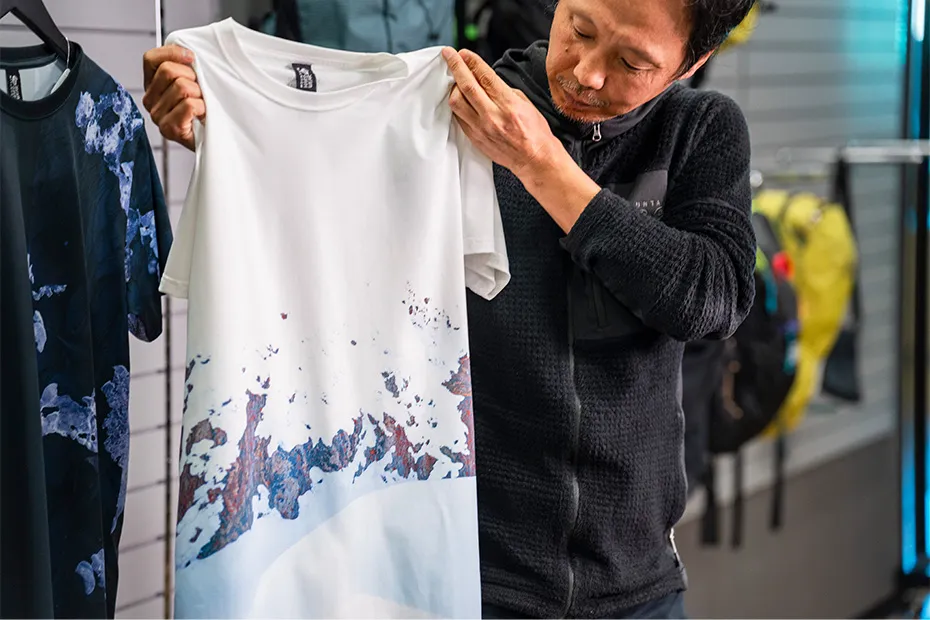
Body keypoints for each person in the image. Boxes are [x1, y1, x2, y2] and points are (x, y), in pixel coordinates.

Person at [142, 0, 757, 617]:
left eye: (630, 62)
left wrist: (540, 164)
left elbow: (713, 297)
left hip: (638, 588)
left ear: (692, 60)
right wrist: (229, 133)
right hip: (465, 582)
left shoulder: (699, 130)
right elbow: (325, 223)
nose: (586, 72)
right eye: (580, 29)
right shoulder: (460, 106)